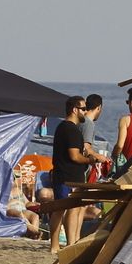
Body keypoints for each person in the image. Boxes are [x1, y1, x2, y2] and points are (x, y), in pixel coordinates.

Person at [49, 97, 97, 254]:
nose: (85, 111)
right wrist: (89, 160)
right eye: (83, 108)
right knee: (64, 209)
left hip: (68, 176)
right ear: (75, 110)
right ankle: (65, 244)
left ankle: (61, 244)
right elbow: (74, 156)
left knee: (68, 209)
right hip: (67, 177)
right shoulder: (70, 129)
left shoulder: (65, 127)